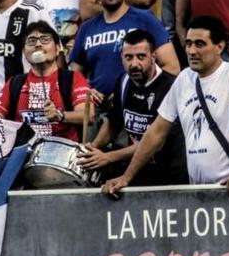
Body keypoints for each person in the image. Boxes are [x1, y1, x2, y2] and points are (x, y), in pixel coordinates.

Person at [101, 16, 229, 201]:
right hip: (198, 194)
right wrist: (127, 177)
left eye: (200, 44)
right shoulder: (184, 79)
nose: (191, 51)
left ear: (219, 47)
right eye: (188, 44)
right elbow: (156, 133)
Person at [78, 29, 188, 185]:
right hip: (137, 171)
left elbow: (156, 143)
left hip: (170, 175)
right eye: (128, 57)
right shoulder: (123, 82)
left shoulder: (171, 87)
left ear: (153, 57)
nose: (134, 64)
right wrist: (93, 147)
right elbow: (114, 123)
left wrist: (108, 157)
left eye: (141, 56)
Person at [70, 0, 179, 97]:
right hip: (98, 111)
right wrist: (86, 93)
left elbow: (172, 68)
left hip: (138, 108)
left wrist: (135, 93)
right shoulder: (87, 28)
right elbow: (74, 77)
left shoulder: (146, 19)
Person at [0, 21, 90, 142]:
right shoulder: (15, 82)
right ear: (24, 53)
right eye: (31, 40)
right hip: (21, 154)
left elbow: (88, 115)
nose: (38, 44)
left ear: (58, 49)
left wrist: (60, 115)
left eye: (45, 39)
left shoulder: (73, 78)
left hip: (61, 154)